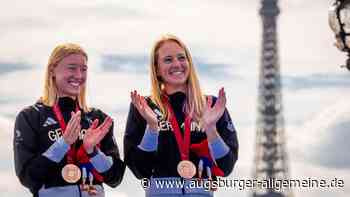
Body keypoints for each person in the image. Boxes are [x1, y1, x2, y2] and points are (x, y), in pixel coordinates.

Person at [124, 34, 239, 196]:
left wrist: (211, 130)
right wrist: (152, 128)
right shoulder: (144, 106)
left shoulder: (211, 105)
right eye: (168, 60)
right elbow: (139, 170)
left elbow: (226, 166)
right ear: (156, 69)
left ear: (189, 63)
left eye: (181, 58)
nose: (177, 64)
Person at [13, 43, 125, 197]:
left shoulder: (97, 118)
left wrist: (93, 152)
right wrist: (63, 144)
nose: (79, 75)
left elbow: (115, 178)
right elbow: (28, 177)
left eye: (83, 69)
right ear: (52, 70)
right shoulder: (31, 116)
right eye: (72, 68)